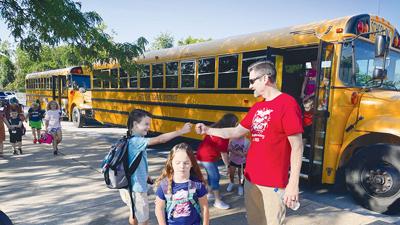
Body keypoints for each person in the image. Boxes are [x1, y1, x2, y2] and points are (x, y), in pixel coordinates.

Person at [195, 60, 304, 225]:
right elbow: (236, 131)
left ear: (265, 78)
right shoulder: (257, 108)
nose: (250, 85)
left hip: (273, 184)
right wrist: (208, 130)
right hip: (251, 179)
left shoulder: (287, 104)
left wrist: (293, 184)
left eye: (252, 81)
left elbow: (297, 146)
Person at [119, 109, 192, 225]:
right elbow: (160, 139)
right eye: (146, 124)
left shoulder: (128, 139)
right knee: (144, 220)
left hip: (128, 186)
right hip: (136, 189)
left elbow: (132, 163)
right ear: (135, 125)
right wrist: (181, 131)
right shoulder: (136, 141)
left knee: (134, 213)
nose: (149, 127)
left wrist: (146, 176)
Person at [154, 143, 209, 225]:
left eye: (186, 163)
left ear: (191, 164)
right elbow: (159, 208)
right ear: (171, 163)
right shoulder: (165, 185)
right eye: (177, 162)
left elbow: (204, 207)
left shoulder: (197, 184)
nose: (182, 166)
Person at [196, 113, 238, 210]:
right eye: (236, 123)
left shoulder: (216, 129)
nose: (237, 125)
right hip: (207, 157)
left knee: (211, 176)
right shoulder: (223, 135)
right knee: (215, 177)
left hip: (203, 155)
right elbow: (224, 154)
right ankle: (217, 201)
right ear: (231, 124)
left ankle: (209, 193)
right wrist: (228, 166)